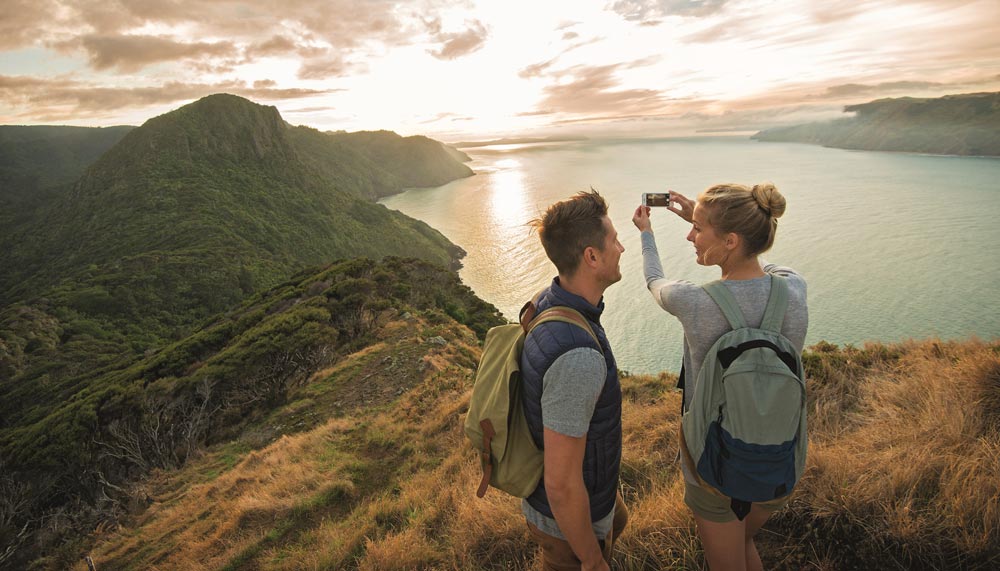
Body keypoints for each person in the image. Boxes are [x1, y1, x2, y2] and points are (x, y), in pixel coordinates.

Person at [631, 183, 808, 571]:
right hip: (779, 458)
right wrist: (706, 216)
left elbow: (654, 281)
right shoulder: (794, 290)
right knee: (742, 544)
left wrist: (647, 235)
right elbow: (766, 263)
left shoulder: (694, 301)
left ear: (729, 240)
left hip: (711, 467)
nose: (690, 236)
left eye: (697, 228)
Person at [521, 189, 629, 571]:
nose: (621, 247)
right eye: (614, 239)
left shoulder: (550, 301)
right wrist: (592, 560)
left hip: (584, 495)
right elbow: (563, 486)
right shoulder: (577, 356)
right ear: (592, 256)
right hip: (563, 522)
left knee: (619, 520)